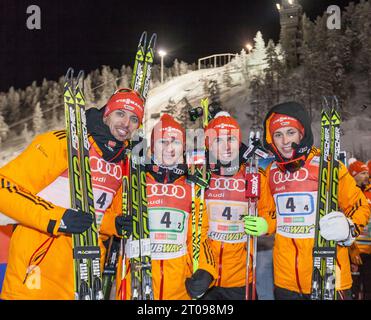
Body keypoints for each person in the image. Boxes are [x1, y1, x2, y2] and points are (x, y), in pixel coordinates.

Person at [0, 88, 141, 299]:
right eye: (120, 113)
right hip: (37, 275)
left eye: (134, 119)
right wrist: (58, 218)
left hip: (84, 278)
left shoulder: (120, 163)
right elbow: (4, 186)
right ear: (106, 114)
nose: (126, 124)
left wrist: (114, 224)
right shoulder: (63, 142)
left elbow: (94, 216)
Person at [256, 101, 370, 300]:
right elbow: (272, 215)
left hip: (328, 276)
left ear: (302, 133)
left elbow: (359, 206)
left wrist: (348, 229)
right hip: (285, 280)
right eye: (278, 134)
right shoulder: (271, 172)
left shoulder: (327, 166)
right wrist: (266, 224)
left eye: (290, 132)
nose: (284, 141)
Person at [118, 114, 217, 300]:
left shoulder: (192, 186)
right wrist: (114, 224)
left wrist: (207, 270)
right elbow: (109, 219)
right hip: (136, 281)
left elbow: (199, 235)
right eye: (162, 142)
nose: (170, 148)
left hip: (178, 288)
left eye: (176, 142)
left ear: (183, 148)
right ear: (152, 147)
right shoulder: (134, 181)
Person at [200, 112, 268, 300]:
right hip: (205, 276)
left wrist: (266, 224)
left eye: (231, 138)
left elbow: (271, 213)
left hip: (241, 278)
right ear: (208, 144)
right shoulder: (200, 176)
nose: (226, 146)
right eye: (218, 140)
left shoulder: (253, 174)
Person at [347, 158, 371, 299]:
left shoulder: (369, 193)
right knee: (353, 289)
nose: (366, 176)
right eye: (362, 173)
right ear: (353, 175)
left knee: (368, 288)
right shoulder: (347, 193)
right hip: (352, 251)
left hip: (368, 252)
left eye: (367, 173)